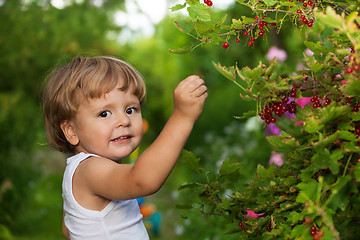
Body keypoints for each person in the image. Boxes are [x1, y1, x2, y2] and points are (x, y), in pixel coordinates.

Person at [42, 56, 207, 239]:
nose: (124, 120)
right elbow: (143, 179)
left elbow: (68, 228)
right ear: (71, 131)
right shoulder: (90, 169)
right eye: (104, 113)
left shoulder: (76, 172)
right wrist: (182, 117)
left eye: (130, 110)